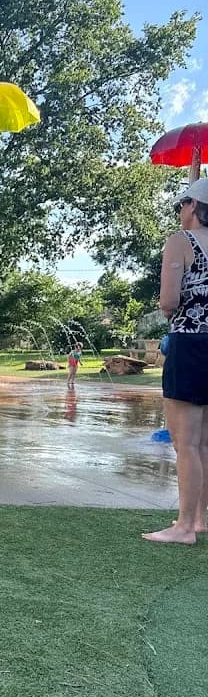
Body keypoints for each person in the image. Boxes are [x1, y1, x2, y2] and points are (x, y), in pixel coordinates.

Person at [143, 178, 208, 544]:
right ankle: (198, 518)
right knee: (205, 443)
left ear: (193, 206)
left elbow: (169, 300)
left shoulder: (180, 241)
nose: (180, 210)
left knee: (186, 442)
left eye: (182, 203)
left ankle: (183, 527)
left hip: (190, 343)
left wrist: (172, 309)